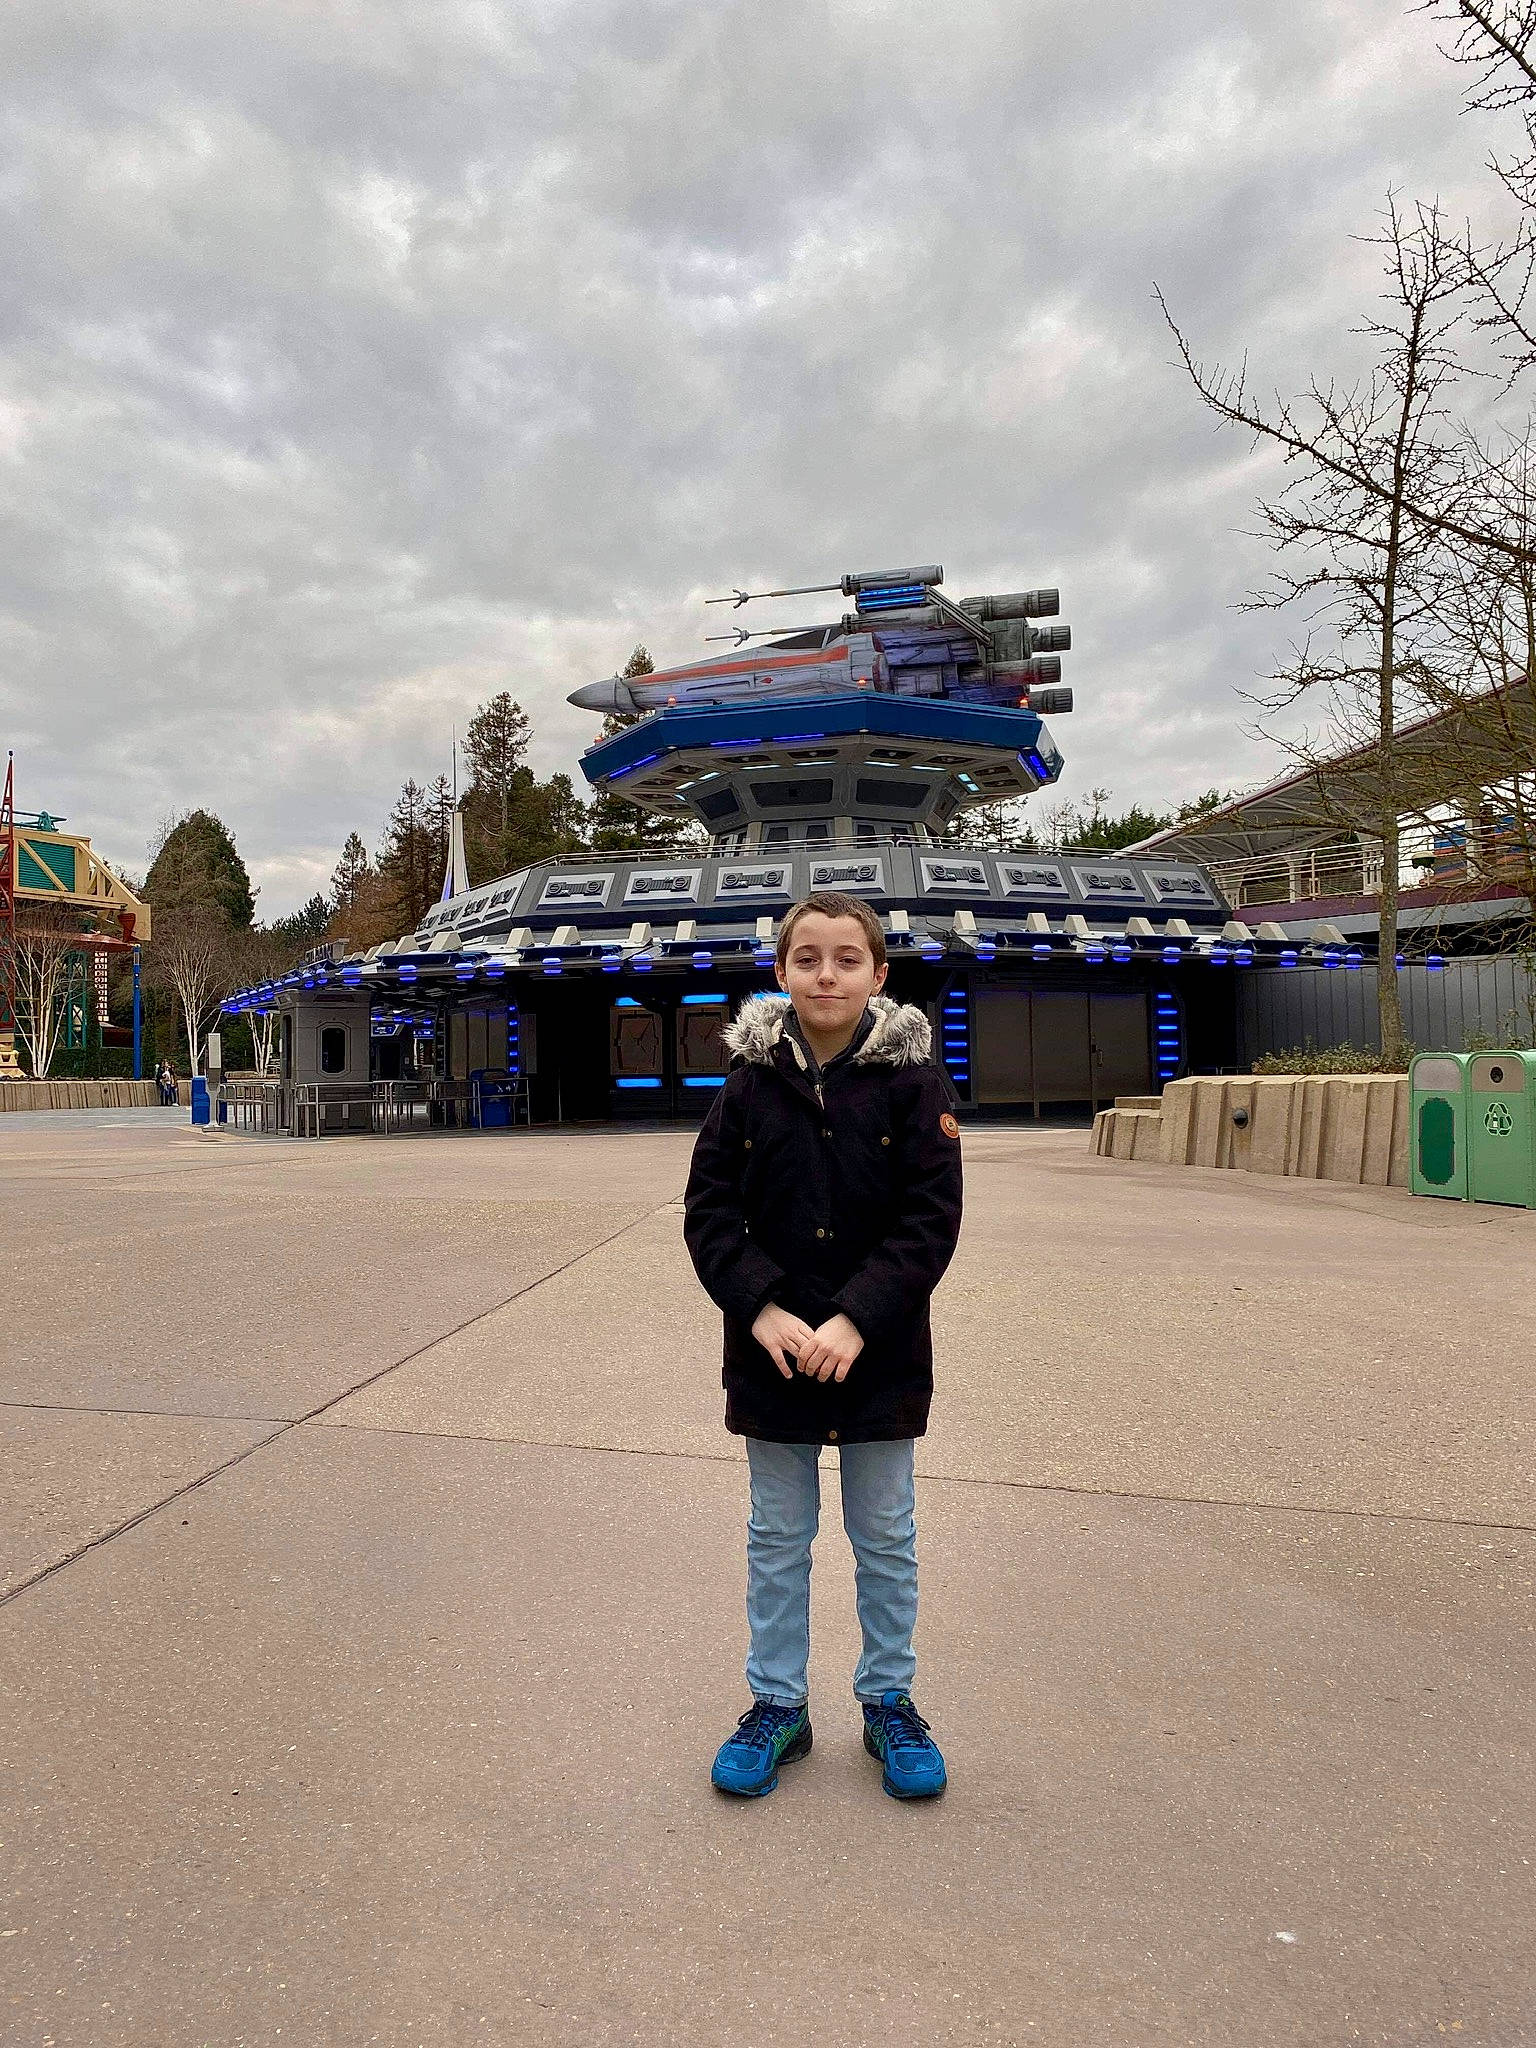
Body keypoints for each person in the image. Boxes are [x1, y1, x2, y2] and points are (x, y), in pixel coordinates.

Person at [684, 891, 964, 1800]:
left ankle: (889, 1699)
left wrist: (857, 1317)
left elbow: (931, 1220)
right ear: (781, 972)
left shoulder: (915, 1084)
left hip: (876, 1350)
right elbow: (710, 1211)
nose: (827, 973)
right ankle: (777, 1706)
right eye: (808, 957)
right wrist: (761, 1309)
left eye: (847, 958)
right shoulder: (747, 1082)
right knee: (777, 1535)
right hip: (772, 1350)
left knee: (884, 1535)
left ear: (879, 975)